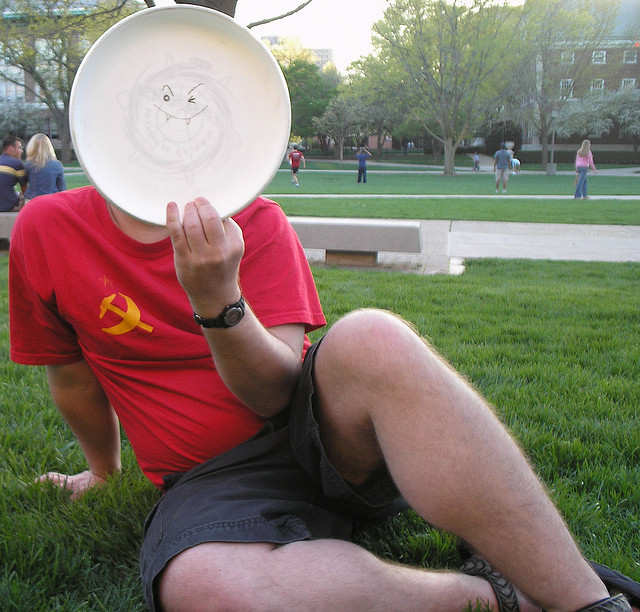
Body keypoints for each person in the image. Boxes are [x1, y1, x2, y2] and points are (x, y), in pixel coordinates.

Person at [9, 185, 639, 612]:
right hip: (210, 481)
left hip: (314, 433)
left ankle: (588, 600)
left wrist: (217, 301)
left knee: (373, 337)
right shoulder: (50, 227)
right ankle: (493, 595)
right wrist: (103, 471)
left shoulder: (255, 220)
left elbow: (276, 392)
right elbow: (73, 379)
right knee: (206, 586)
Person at [23, 133, 66, 200]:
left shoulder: (28, 165)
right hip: (51, 199)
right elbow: (62, 188)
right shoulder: (57, 165)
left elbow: (24, 183)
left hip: (32, 199)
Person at [0, 135, 28, 212]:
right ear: (11, 148)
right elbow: (24, 188)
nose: (22, 151)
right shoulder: (17, 163)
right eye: (19, 148)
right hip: (7, 205)